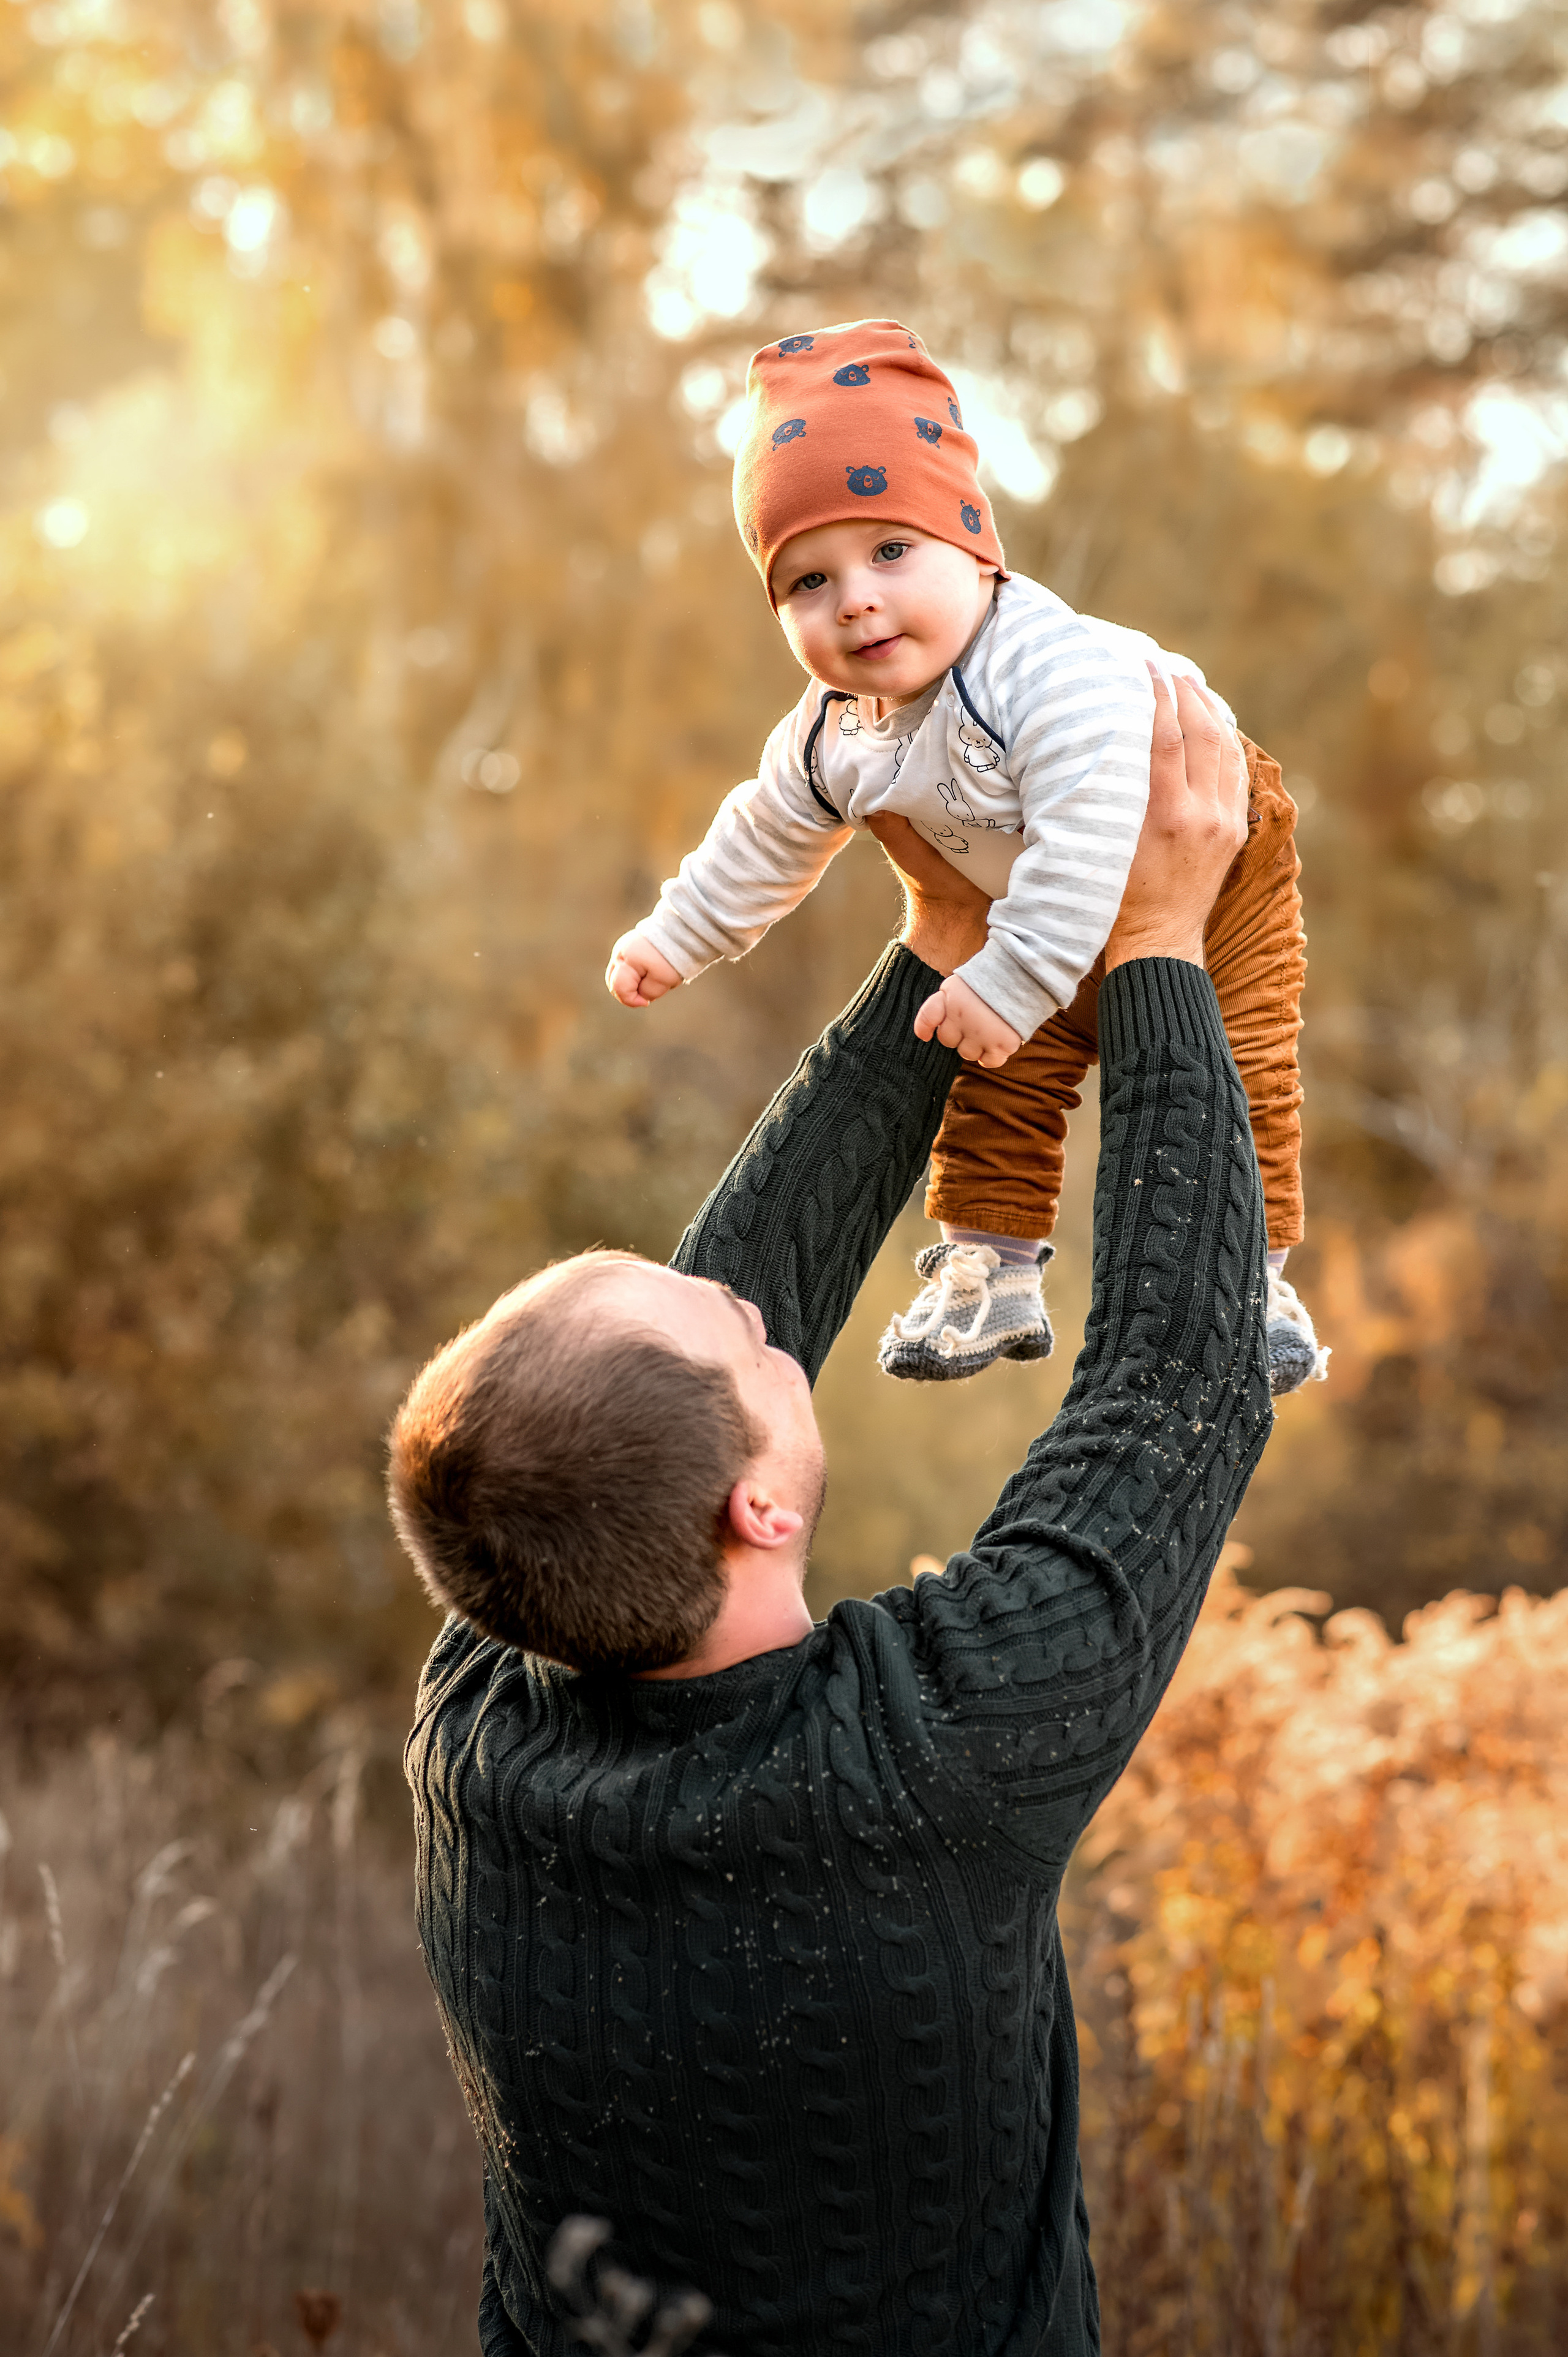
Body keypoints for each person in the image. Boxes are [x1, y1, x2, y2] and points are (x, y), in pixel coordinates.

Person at [394, 675, 1274, 2357]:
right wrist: (1160, 944)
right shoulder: (924, 1765)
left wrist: (942, 945)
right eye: (750, 1348)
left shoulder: (493, 1687)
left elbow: (687, 1339)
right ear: (759, 1506)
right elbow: (1176, 1384)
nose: (755, 1308)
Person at [606, 317, 1327, 1399]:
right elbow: (765, 831)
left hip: (1201, 848)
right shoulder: (833, 727)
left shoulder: (1044, 670)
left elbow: (1095, 829)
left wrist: (1017, 973)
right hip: (1020, 879)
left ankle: (1255, 1277)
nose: (854, 598)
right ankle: (992, 1264)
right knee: (985, 1057)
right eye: (807, 581)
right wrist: (681, 933)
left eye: (891, 550)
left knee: (1237, 1051)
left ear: (975, 549)